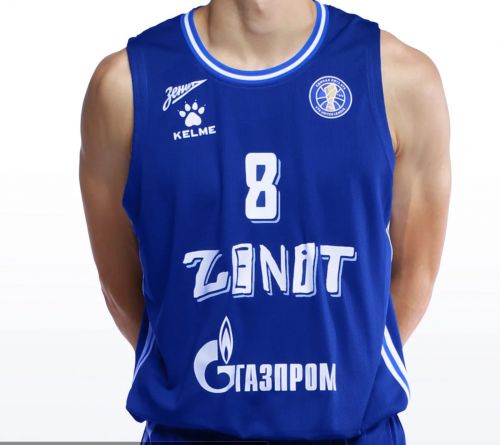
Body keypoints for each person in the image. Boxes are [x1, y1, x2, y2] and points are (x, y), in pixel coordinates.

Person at [79, 0, 451, 443]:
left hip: (355, 434)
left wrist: (345, 375)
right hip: (189, 432)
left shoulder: (403, 81)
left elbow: (416, 272)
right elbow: (118, 283)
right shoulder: (124, 88)